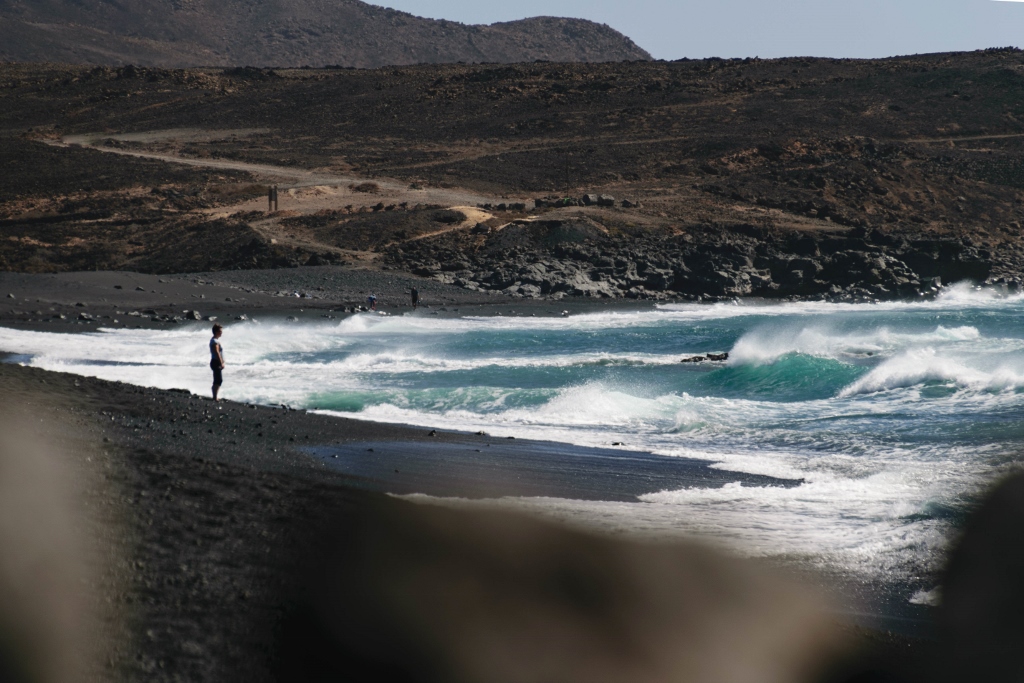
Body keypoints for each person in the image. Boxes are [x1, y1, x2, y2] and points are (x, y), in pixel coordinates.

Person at [210, 323, 225, 401]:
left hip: (215, 361)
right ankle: (215, 397)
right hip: (216, 362)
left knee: (217, 379)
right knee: (218, 380)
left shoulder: (214, 340)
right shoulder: (215, 341)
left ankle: (215, 396)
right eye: (220, 331)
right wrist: (221, 362)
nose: (221, 333)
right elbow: (216, 352)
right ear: (216, 332)